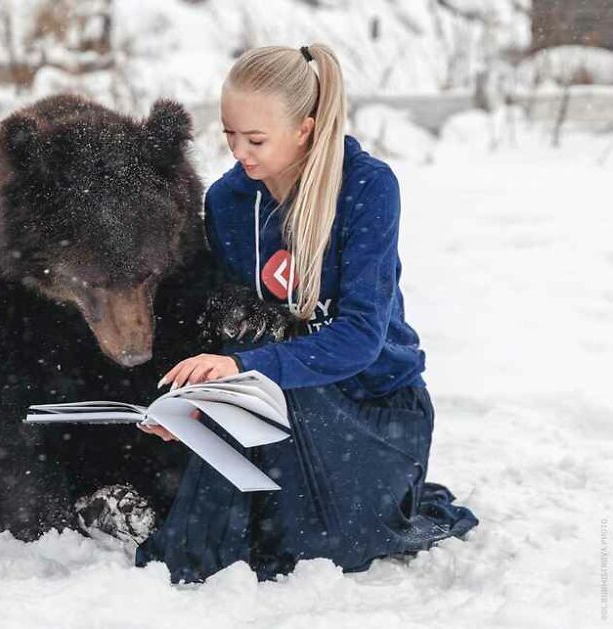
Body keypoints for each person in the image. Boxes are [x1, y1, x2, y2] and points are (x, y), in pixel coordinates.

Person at [135, 43, 479, 583]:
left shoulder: (368, 186)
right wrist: (200, 404)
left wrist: (244, 369)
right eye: (228, 135)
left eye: (255, 139)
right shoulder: (228, 201)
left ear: (305, 128)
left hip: (375, 404)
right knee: (205, 548)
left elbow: (361, 337)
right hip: (276, 398)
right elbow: (233, 325)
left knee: (317, 549)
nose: (238, 152)